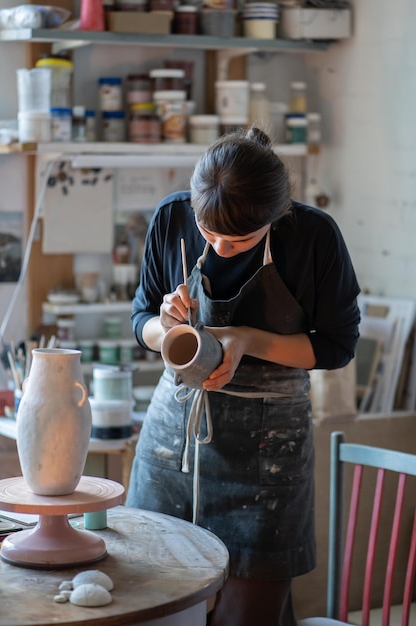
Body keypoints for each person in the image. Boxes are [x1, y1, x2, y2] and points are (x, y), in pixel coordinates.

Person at [126, 127, 361, 626]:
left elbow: (338, 345)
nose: (222, 248)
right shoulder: (171, 217)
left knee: (246, 616)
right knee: (153, 604)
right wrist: (163, 326)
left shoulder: (312, 237)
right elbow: (140, 318)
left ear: (276, 216)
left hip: (267, 451)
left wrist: (248, 339)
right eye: (209, 234)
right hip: (177, 441)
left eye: (241, 240)